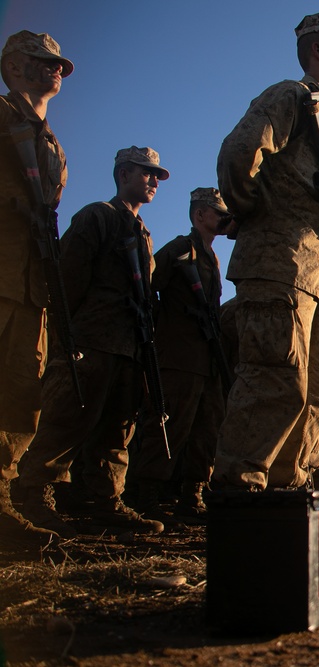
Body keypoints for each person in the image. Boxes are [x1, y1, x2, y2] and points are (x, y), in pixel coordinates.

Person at [212, 13, 319, 490]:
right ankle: (240, 488)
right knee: (274, 380)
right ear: (317, 50)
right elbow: (240, 153)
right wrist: (257, 212)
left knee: (315, 393)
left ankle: (287, 490)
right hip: (277, 262)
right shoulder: (292, 97)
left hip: (313, 275)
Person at [18, 146, 171, 538]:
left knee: (117, 431)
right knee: (66, 419)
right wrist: (67, 336)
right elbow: (68, 278)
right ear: (123, 174)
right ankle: (32, 495)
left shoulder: (143, 234)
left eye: (156, 176)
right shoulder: (97, 216)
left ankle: (104, 502)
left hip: (128, 347)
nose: (153, 181)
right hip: (92, 340)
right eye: (146, 173)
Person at [0, 30, 73, 548]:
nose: (56, 70)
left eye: (58, 64)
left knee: (22, 395)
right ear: (13, 67)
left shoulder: (51, 145)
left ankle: (2, 500)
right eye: (43, 62)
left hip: (30, 285)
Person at [127, 188, 231, 523]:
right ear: (200, 214)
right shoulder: (179, 249)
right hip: (179, 354)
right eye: (219, 214)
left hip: (205, 357)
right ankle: (147, 494)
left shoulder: (211, 258)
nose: (224, 220)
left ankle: (192, 495)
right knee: (170, 424)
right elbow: (148, 288)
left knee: (206, 426)